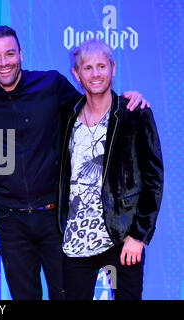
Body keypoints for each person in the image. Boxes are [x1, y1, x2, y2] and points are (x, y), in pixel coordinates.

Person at [0, 25, 149, 300]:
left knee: (66, 295)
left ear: (21, 55)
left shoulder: (50, 84)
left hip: (56, 218)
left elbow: (95, 107)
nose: (3, 62)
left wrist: (127, 99)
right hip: (10, 221)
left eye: (9, 54)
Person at [58, 38, 163, 300]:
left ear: (113, 69)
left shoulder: (133, 113)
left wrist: (138, 236)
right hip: (75, 242)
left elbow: (154, 179)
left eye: (102, 66)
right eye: (88, 68)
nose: (96, 74)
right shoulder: (67, 115)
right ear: (77, 74)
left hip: (121, 238)